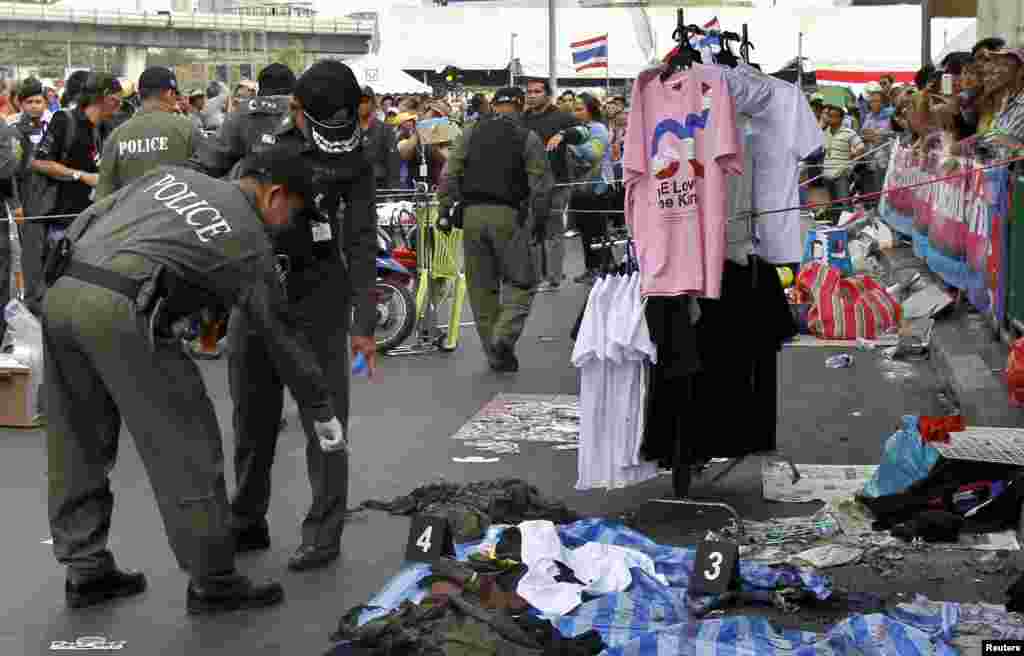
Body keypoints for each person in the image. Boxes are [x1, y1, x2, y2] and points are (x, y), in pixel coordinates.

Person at [44, 144, 347, 614]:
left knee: (78, 440)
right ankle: (213, 579)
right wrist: (320, 407)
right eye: (294, 212)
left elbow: (94, 214)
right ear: (276, 196)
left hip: (64, 289)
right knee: (186, 442)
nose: (289, 225)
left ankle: (85, 568)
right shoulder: (248, 237)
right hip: (125, 309)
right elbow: (279, 332)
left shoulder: (168, 177)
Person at [226, 60, 378, 572]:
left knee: (326, 423)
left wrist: (364, 324)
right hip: (258, 296)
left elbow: (361, 241)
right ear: (296, 108)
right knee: (252, 419)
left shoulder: (357, 156)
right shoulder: (253, 133)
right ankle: (246, 518)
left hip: (321, 304)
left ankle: (324, 532)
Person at [438, 86, 552, 373]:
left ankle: (495, 354)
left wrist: (444, 210)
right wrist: (539, 222)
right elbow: (541, 185)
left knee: (481, 289)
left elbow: (450, 173)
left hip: (472, 216)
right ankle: (504, 337)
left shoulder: (470, 133)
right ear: (520, 105)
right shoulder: (527, 137)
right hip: (508, 216)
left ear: (494, 105)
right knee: (522, 281)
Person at [26, 73, 121, 312]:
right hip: (63, 220)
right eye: (118, 100)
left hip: (96, 221)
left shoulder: (108, 127)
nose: (120, 106)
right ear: (105, 98)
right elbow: (39, 162)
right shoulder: (65, 120)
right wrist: (81, 176)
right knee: (56, 286)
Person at [522, 79, 589, 292]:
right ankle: (535, 277)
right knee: (532, 230)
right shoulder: (522, 119)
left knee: (552, 230)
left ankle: (552, 278)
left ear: (548, 95)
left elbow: (585, 133)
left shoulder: (562, 117)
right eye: (529, 92)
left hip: (558, 183)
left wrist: (564, 134)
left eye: (537, 91)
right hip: (529, 185)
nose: (532, 95)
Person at [96, 67, 202, 200]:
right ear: (169, 94)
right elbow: (207, 179)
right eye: (176, 95)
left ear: (140, 95)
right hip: (179, 216)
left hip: (131, 217)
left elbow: (103, 196)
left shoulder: (116, 136)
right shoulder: (188, 129)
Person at [189, 63, 297, 178]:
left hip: (251, 191)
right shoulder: (306, 111)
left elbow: (207, 162)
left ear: (259, 91)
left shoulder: (241, 114)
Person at [568, 92, 612, 285]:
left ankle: (604, 268)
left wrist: (572, 145)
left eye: (580, 109)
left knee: (597, 229)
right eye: (574, 109)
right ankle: (591, 268)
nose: (575, 113)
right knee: (585, 230)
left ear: (591, 111)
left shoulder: (598, 128)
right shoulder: (578, 128)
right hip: (579, 187)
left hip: (596, 187)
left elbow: (594, 154)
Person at [822, 104, 865, 210]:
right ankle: (835, 224)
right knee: (833, 205)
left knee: (845, 204)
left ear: (841, 118)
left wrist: (851, 162)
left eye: (834, 116)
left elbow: (861, 148)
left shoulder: (848, 133)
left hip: (841, 174)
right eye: (829, 116)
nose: (831, 119)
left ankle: (847, 224)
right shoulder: (825, 132)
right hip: (827, 174)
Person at [358, 85, 400, 192]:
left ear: (372, 103)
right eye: (357, 100)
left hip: (379, 185)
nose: (361, 104)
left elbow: (393, 162)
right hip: (354, 186)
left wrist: (392, 191)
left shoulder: (385, 129)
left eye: (365, 100)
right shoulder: (349, 129)